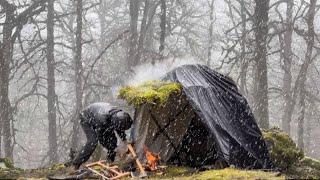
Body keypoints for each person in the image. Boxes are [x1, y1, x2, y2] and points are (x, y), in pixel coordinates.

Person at [68, 102, 133, 170]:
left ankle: (110, 162)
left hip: (97, 115)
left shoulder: (120, 116)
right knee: (92, 142)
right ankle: (76, 164)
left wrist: (124, 140)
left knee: (112, 142)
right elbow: (102, 138)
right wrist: (114, 149)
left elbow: (119, 127)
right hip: (86, 118)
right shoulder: (103, 119)